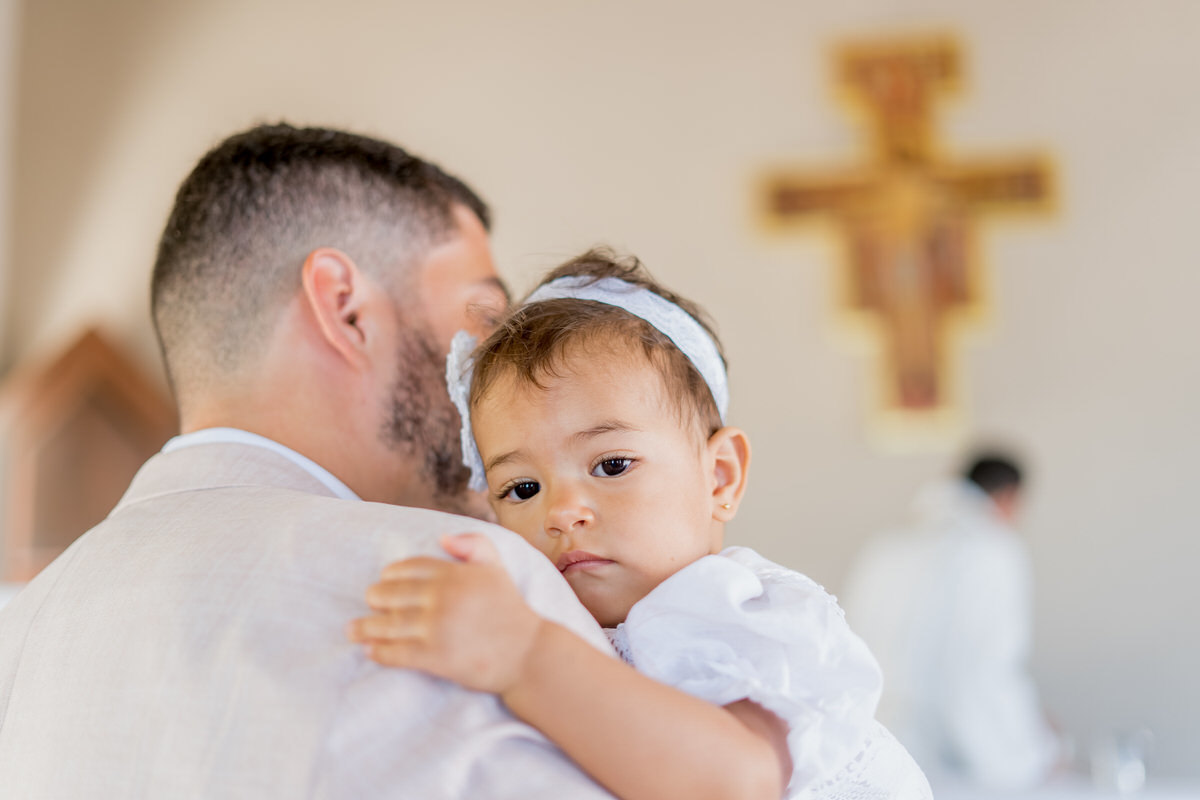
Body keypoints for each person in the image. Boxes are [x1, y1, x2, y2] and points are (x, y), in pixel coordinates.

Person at [0, 124, 617, 798]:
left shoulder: (25, 630)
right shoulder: (469, 584)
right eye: (487, 318)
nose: (501, 372)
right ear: (345, 309)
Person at [348, 250, 932, 800]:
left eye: (612, 465)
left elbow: (735, 783)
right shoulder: (565, 619)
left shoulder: (734, 614)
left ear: (720, 477)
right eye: (522, 488)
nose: (561, 511)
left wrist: (525, 655)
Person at [840, 454, 1061, 790]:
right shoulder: (994, 550)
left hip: (885, 752)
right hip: (969, 758)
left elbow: (852, 647)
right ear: (1008, 496)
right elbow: (988, 667)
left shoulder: (887, 549)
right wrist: (1036, 746)